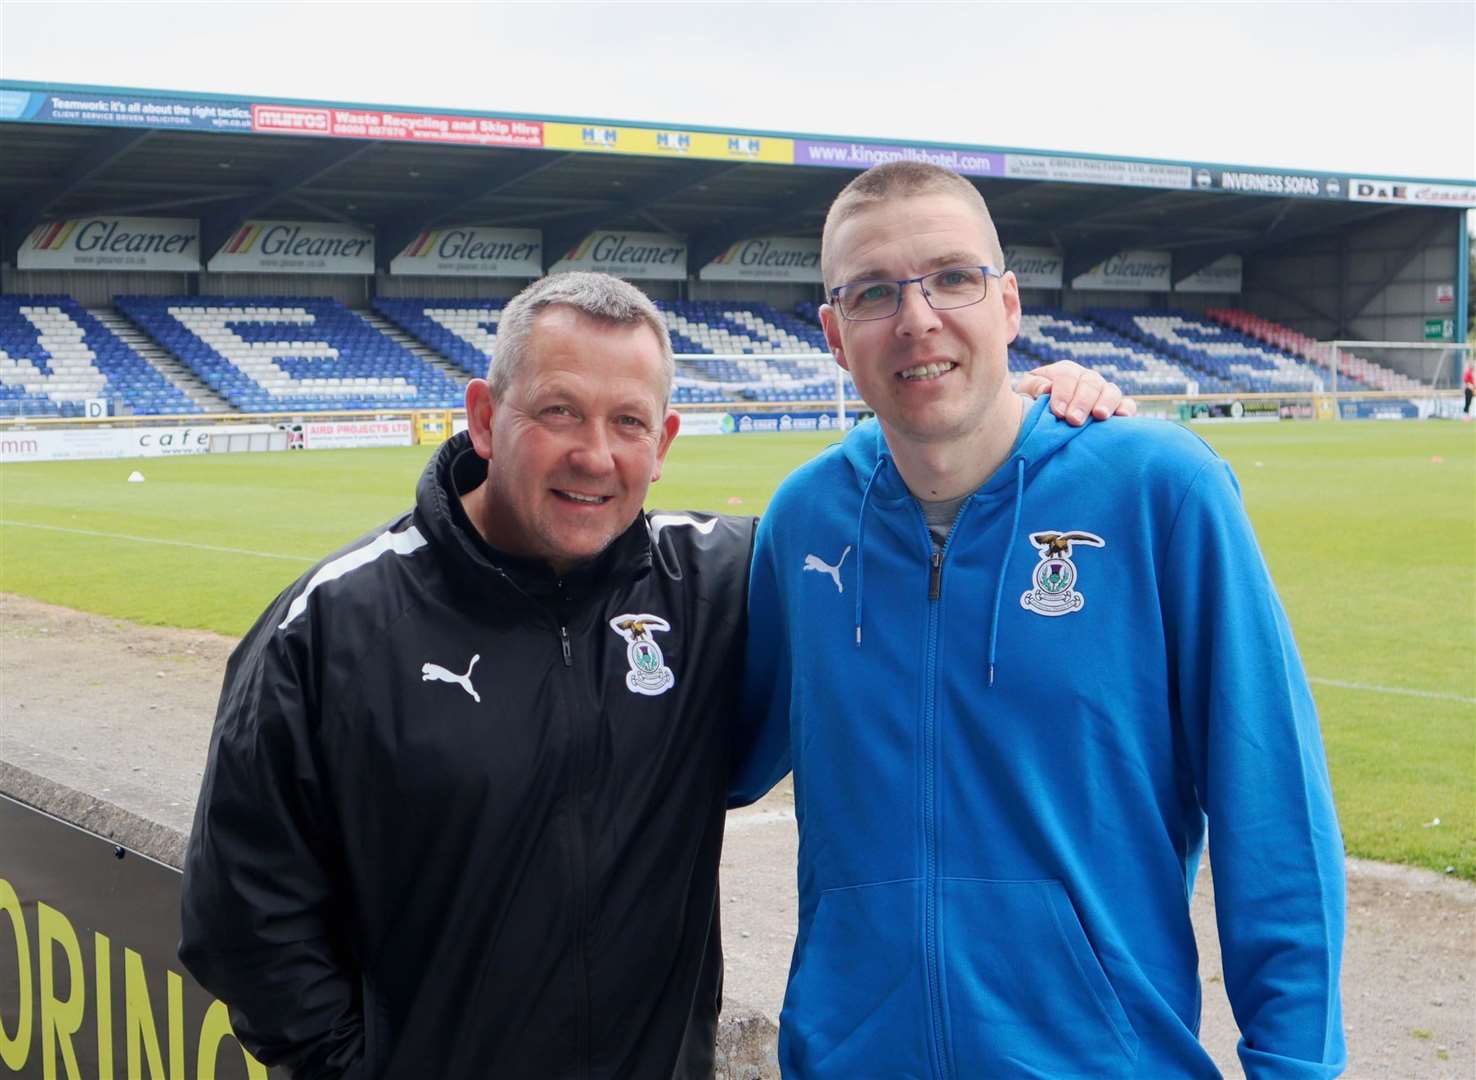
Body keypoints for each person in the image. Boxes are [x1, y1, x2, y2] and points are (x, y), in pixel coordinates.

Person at [179, 269, 1125, 1079]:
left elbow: (902, 526)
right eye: (559, 412)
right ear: (483, 418)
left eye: (628, 422)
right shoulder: (333, 624)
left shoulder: (720, 582)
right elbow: (243, 917)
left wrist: (1023, 410)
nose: (596, 455)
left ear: (664, 443)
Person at [730, 162, 1347, 1079]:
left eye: (952, 278)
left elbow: (1275, 815)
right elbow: (713, 757)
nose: (917, 318)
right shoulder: (805, 520)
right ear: (832, 333)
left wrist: (1295, 1068)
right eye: (872, 292)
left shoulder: (1156, 489)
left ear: (1008, 305)